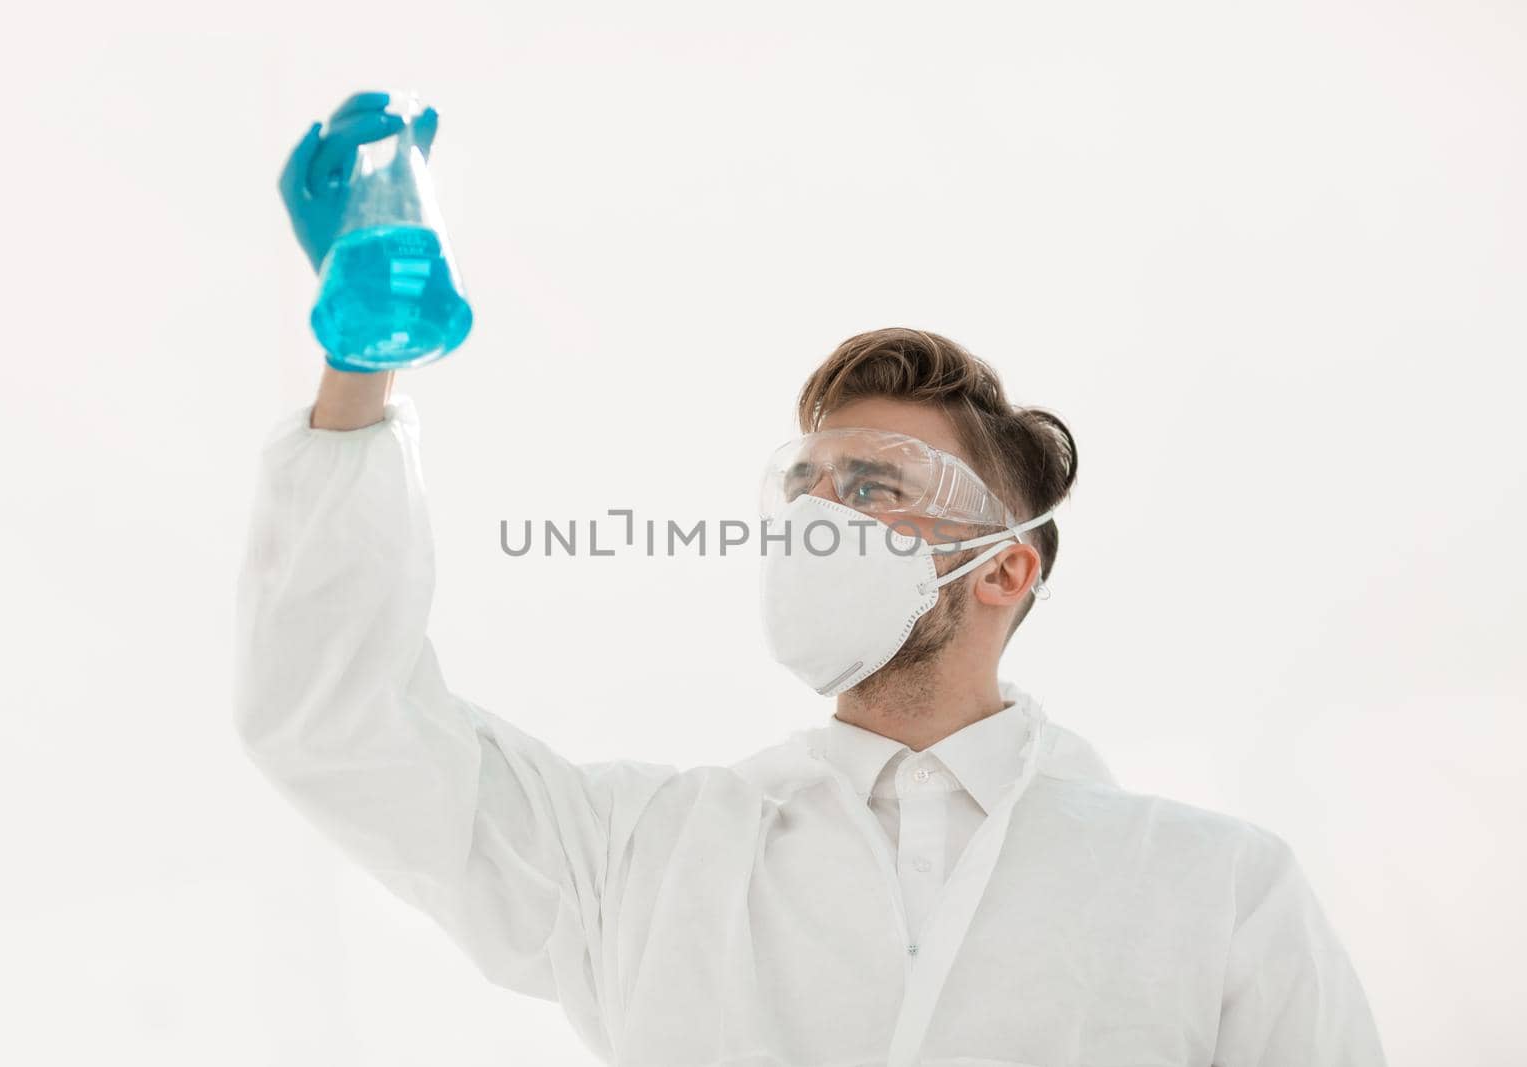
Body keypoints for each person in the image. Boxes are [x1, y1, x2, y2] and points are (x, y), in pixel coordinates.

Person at [235, 92, 1387, 1067]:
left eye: (876, 486)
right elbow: (339, 724)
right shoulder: (646, 858)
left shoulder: (1210, 889)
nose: (822, 517)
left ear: (1006, 565)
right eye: (808, 486)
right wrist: (359, 379)